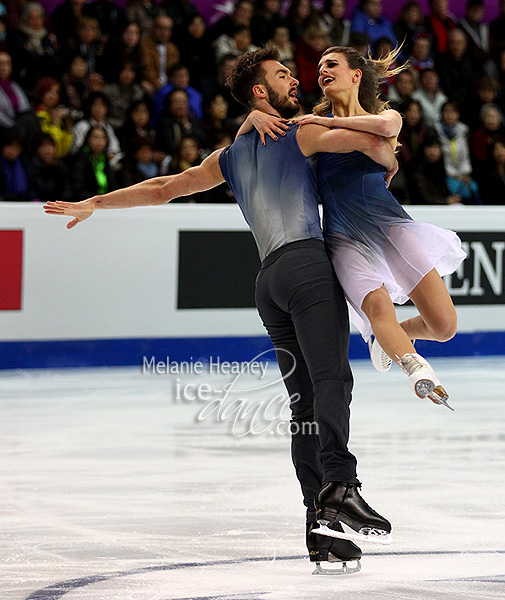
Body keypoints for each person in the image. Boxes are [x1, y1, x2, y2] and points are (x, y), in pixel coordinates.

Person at [44, 46, 399, 573]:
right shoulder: (299, 134)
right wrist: (387, 153)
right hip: (305, 266)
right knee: (334, 382)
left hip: (268, 283)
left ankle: (318, 528)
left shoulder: (228, 157)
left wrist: (97, 201)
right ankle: (340, 487)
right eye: (282, 76)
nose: (294, 82)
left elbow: (165, 187)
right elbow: (378, 142)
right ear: (260, 92)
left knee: (304, 407)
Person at [258, 46, 466, 410]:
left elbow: (385, 130)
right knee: (377, 310)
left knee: (444, 326)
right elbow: (268, 130)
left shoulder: (383, 116)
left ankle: (392, 338)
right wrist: (257, 120)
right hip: (342, 237)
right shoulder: (309, 126)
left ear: (355, 75)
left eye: (332, 64)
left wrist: (330, 121)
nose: (322, 70)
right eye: (320, 66)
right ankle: (414, 366)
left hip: (389, 227)